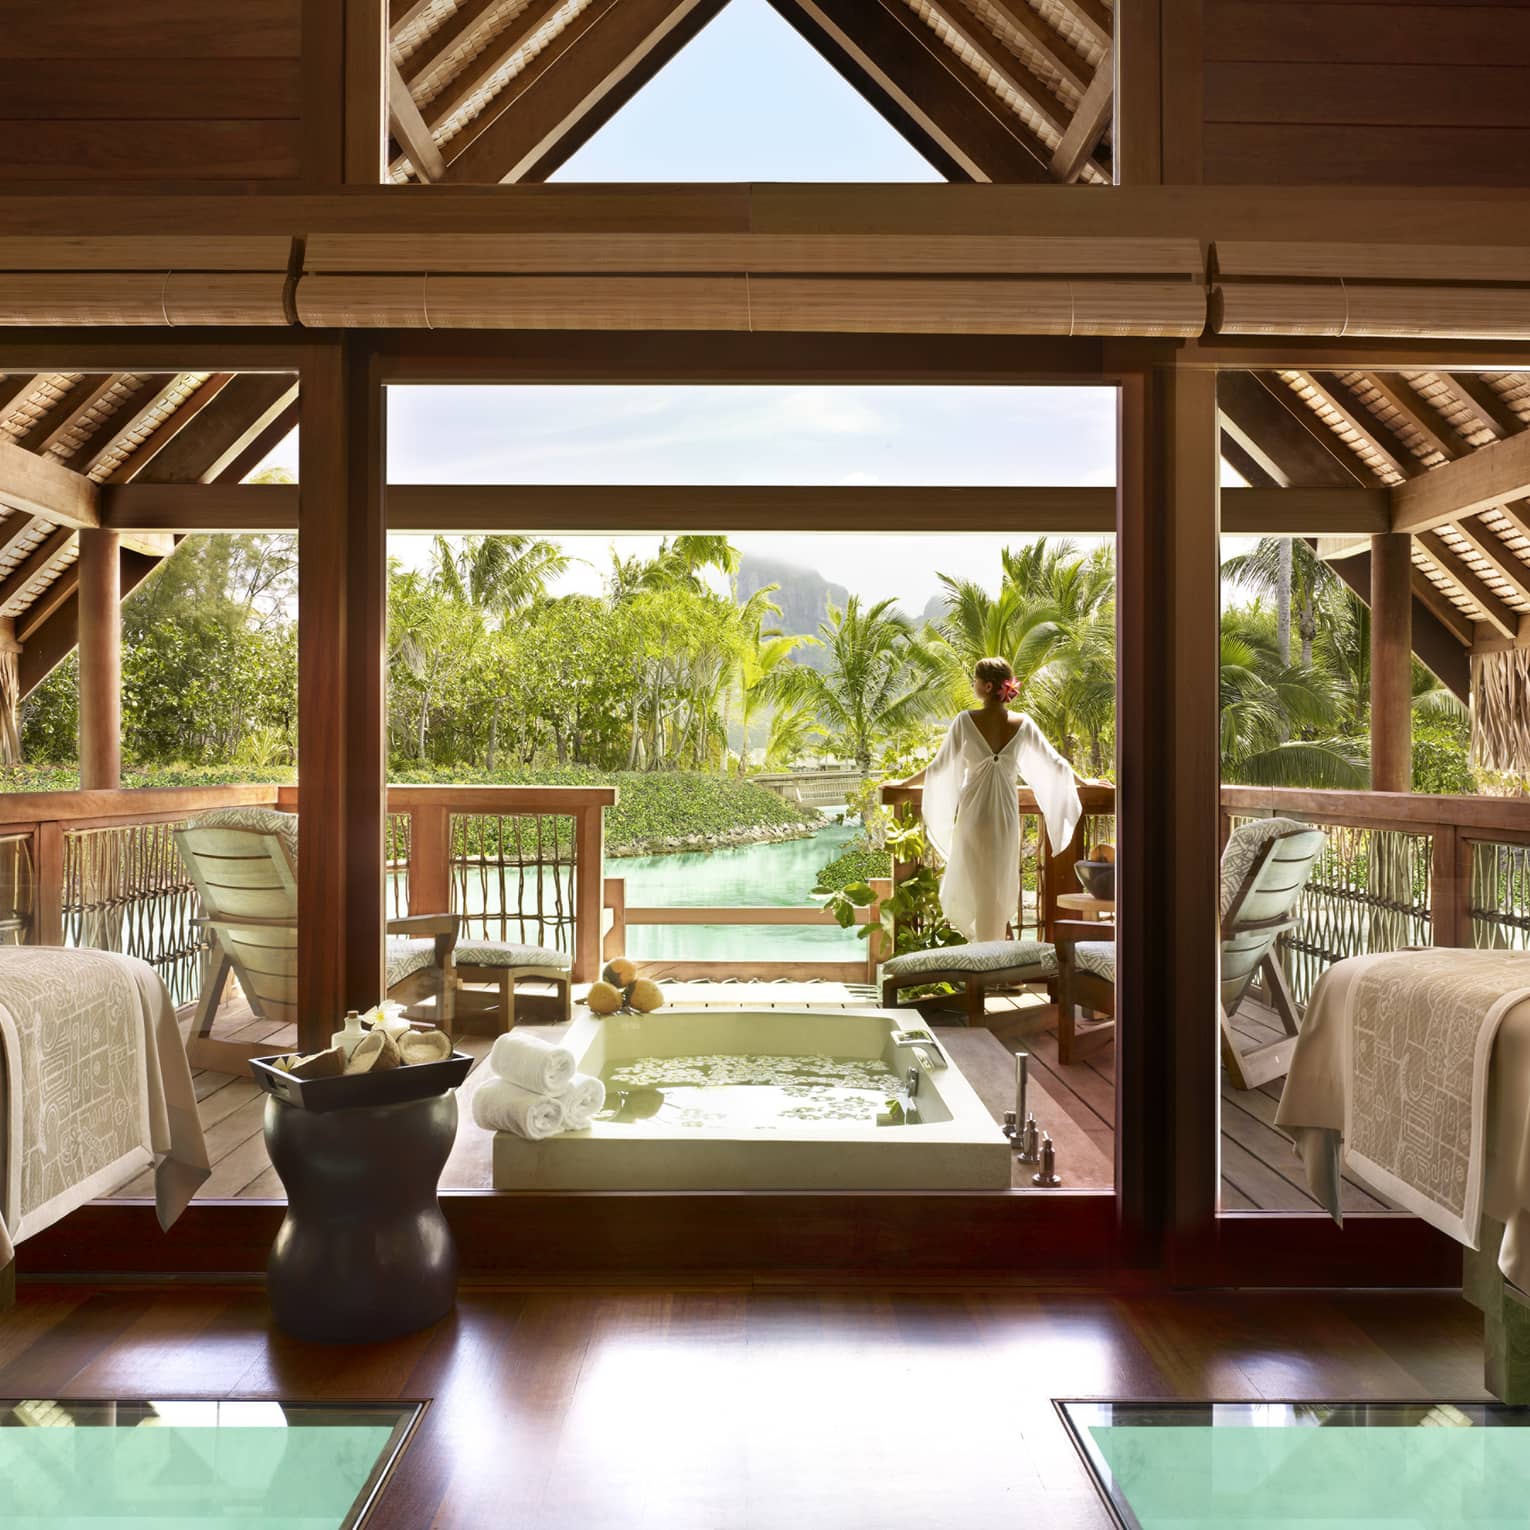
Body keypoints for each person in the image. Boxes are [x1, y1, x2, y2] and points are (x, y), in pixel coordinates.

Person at [900, 656, 1084, 943]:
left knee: (978, 886)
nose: (972, 684)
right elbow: (1056, 764)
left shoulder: (965, 721)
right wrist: (1085, 782)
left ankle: (984, 960)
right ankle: (995, 962)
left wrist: (903, 783)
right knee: (998, 886)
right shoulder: (1023, 724)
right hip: (1005, 816)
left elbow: (939, 767)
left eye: (974, 680)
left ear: (986, 686)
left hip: (974, 814)